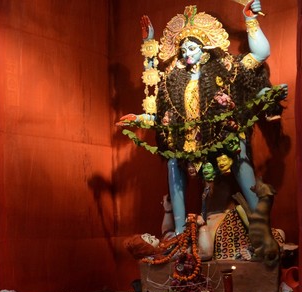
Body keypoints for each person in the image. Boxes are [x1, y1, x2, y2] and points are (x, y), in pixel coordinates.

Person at [118, 1, 286, 257]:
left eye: (192, 48)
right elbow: (157, 108)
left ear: (205, 49)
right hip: (187, 143)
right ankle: (178, 231)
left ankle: (259, 225)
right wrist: (139, 118)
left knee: (240, 156)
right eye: (183, 49)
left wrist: (250, 19)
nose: (187, 53)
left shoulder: (226, 69)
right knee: (172, 158)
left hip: (222, 136)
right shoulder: (173, 79)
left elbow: (260, 55)